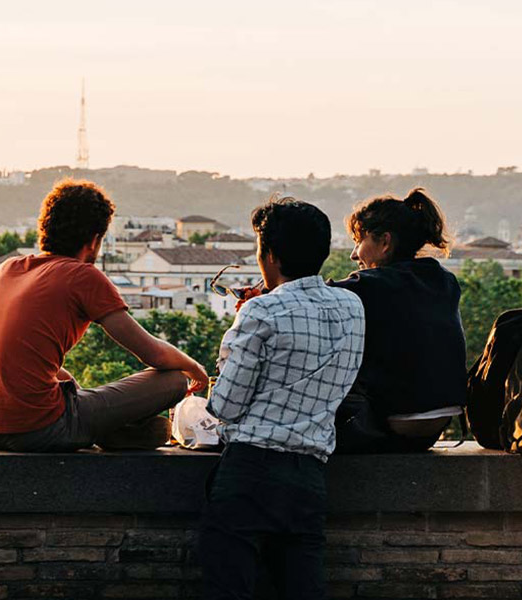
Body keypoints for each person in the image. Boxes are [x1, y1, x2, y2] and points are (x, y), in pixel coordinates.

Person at [0, 179, 208, 452]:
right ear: (94, 240)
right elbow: (154, 354)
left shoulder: (9, 270)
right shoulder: (82, 276)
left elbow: (23, 361)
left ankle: (105, 429)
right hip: (39, 429)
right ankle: (106, 429)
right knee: (173, 380)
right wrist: (195, 370)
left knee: (68, 383)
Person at [200, 196, 365, 600]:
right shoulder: (353, 307)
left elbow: (225, 405)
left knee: (229, 585)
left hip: (250, 469)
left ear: (269, 255)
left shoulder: (261, 313)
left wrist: (232, 342)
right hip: (309, 474)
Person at [330, 187, 467, 453]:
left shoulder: (369, 285)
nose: (354, 254)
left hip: (390, 423)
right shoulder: (445, 280)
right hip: (436, 425)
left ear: (384, 243)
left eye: (359, 241)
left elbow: (309, 297)